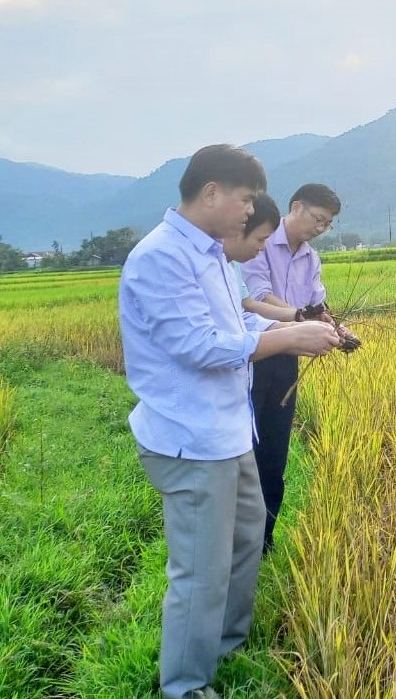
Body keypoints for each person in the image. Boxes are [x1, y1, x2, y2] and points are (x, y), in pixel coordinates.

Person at [118, 145, 341, 699]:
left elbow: (237, 314)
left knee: (245, 541)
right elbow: (198, 346)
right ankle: (187, 685)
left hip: (230, 430)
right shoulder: (161, 256)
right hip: (191, 439)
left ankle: (225, 644)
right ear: (212, 191)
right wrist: (288, 338)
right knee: (201, 568)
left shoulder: (212, 253)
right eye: (244, 200)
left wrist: (290, 325)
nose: (250, 212)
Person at [241, 183, 341, 552]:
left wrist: (335, 328)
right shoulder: (260, 239)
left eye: (327, 224)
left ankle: (264, 540)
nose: (320, 227)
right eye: (318, 219)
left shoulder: (311, 258)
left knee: (275, 451)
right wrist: (300, 320)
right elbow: (258, 298)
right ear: (296, 206)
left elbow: (317, 303)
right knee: (247, 449)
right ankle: (240, 537)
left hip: (288, 357)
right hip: (255, 351)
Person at [223, 192, 297, 323]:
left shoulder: (233, 264)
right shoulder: (205, 263)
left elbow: (247, 306)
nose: (262, 247)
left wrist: (298, 317)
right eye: (260, 239)